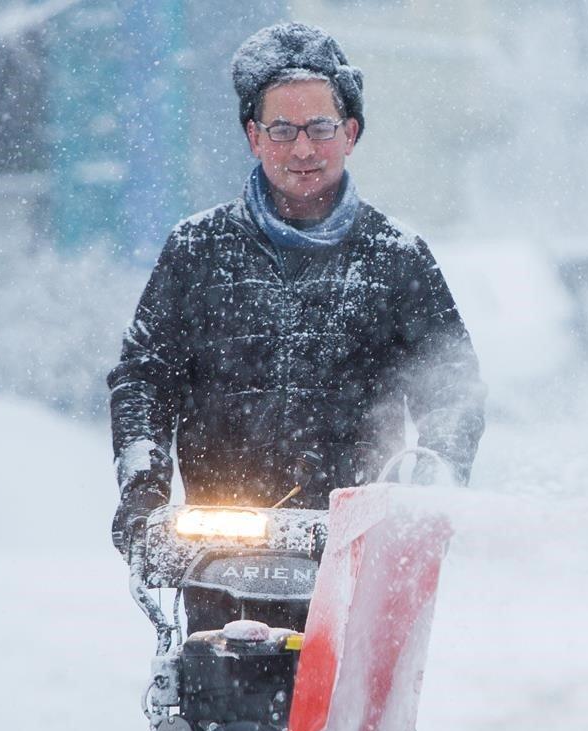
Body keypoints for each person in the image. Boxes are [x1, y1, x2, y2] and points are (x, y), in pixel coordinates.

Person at [108, 22, 486, 557]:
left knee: (342, 648)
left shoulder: (397, 256)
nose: (303, 148)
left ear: (351, 133)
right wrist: (142, 495)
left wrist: (432, 488)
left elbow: (450, 384)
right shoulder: (196, 249)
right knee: (216, 646)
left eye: (321, 128)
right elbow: (144, 380)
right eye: (282, 130)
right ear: (254, 136)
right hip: (218, 545)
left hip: (357, 542)